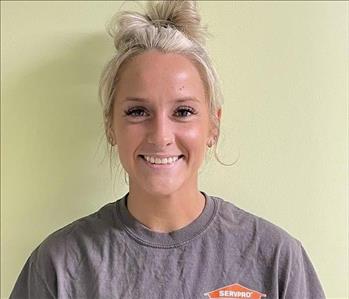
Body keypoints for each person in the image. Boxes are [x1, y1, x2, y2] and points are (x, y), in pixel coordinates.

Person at [10, 1, 326, 298]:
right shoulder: (59, 265)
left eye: (183, 112)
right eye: (137, 112)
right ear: (110, 125)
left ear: (213, 126)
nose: (161, 136)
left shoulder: (276, 259)